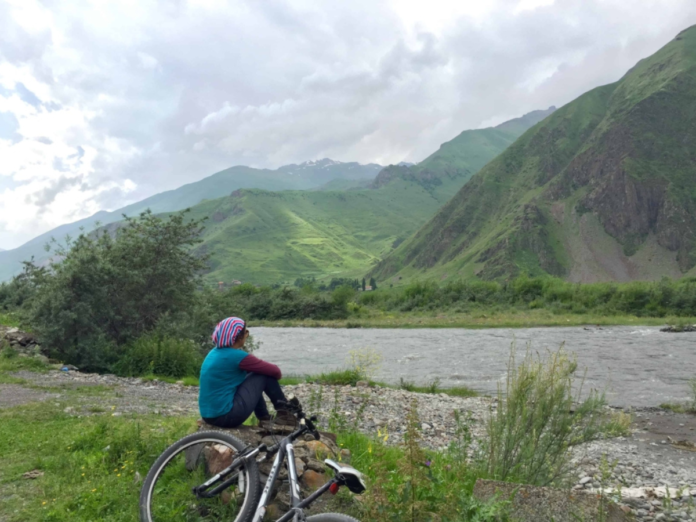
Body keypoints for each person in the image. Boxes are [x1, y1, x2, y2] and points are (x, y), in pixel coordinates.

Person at [198, 316, 292, 428]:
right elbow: (276, 371)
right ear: (239, 337)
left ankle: (265, 418)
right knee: (263, 374)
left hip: (209, 415)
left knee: (252, 373)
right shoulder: (237, 356)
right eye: (246, 332)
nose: (247, 335)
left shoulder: (214, 353)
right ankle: (285, 415)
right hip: (226, 417)